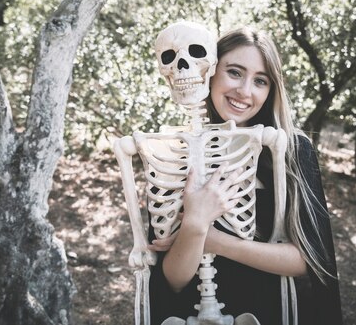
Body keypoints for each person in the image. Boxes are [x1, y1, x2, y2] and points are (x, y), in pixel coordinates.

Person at [147, 26, 343, 325]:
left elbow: (308, 260)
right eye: (235, 72)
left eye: (260, 81)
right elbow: (172, 282)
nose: (245, 91)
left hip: (271, 313)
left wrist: (214, 240)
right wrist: (195, 224)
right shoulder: (176, 154)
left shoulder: (289, 149)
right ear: (210, 70)